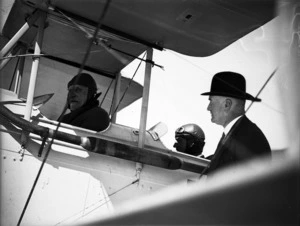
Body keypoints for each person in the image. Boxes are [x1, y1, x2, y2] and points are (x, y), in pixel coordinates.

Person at [201, 71, 271, 174]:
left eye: (211, 101)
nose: (208, 108)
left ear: (227, 105)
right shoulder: (238, 132)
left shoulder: (249, 138)